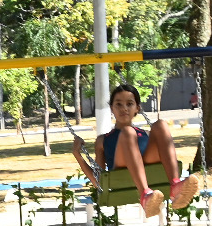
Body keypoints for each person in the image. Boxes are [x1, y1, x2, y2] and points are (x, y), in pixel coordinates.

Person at [71, 84, 201, 218]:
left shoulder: (147, 134)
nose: (124, 108)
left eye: (129, 104)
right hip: (120, 170)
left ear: (137, 108)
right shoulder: (103, 140)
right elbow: (97, 180)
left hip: (146, 163)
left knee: (161, 124)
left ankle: (175, 185)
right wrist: (77, 155)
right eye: (118, 104)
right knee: (127, 132)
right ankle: (145, 195)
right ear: (112, 109)